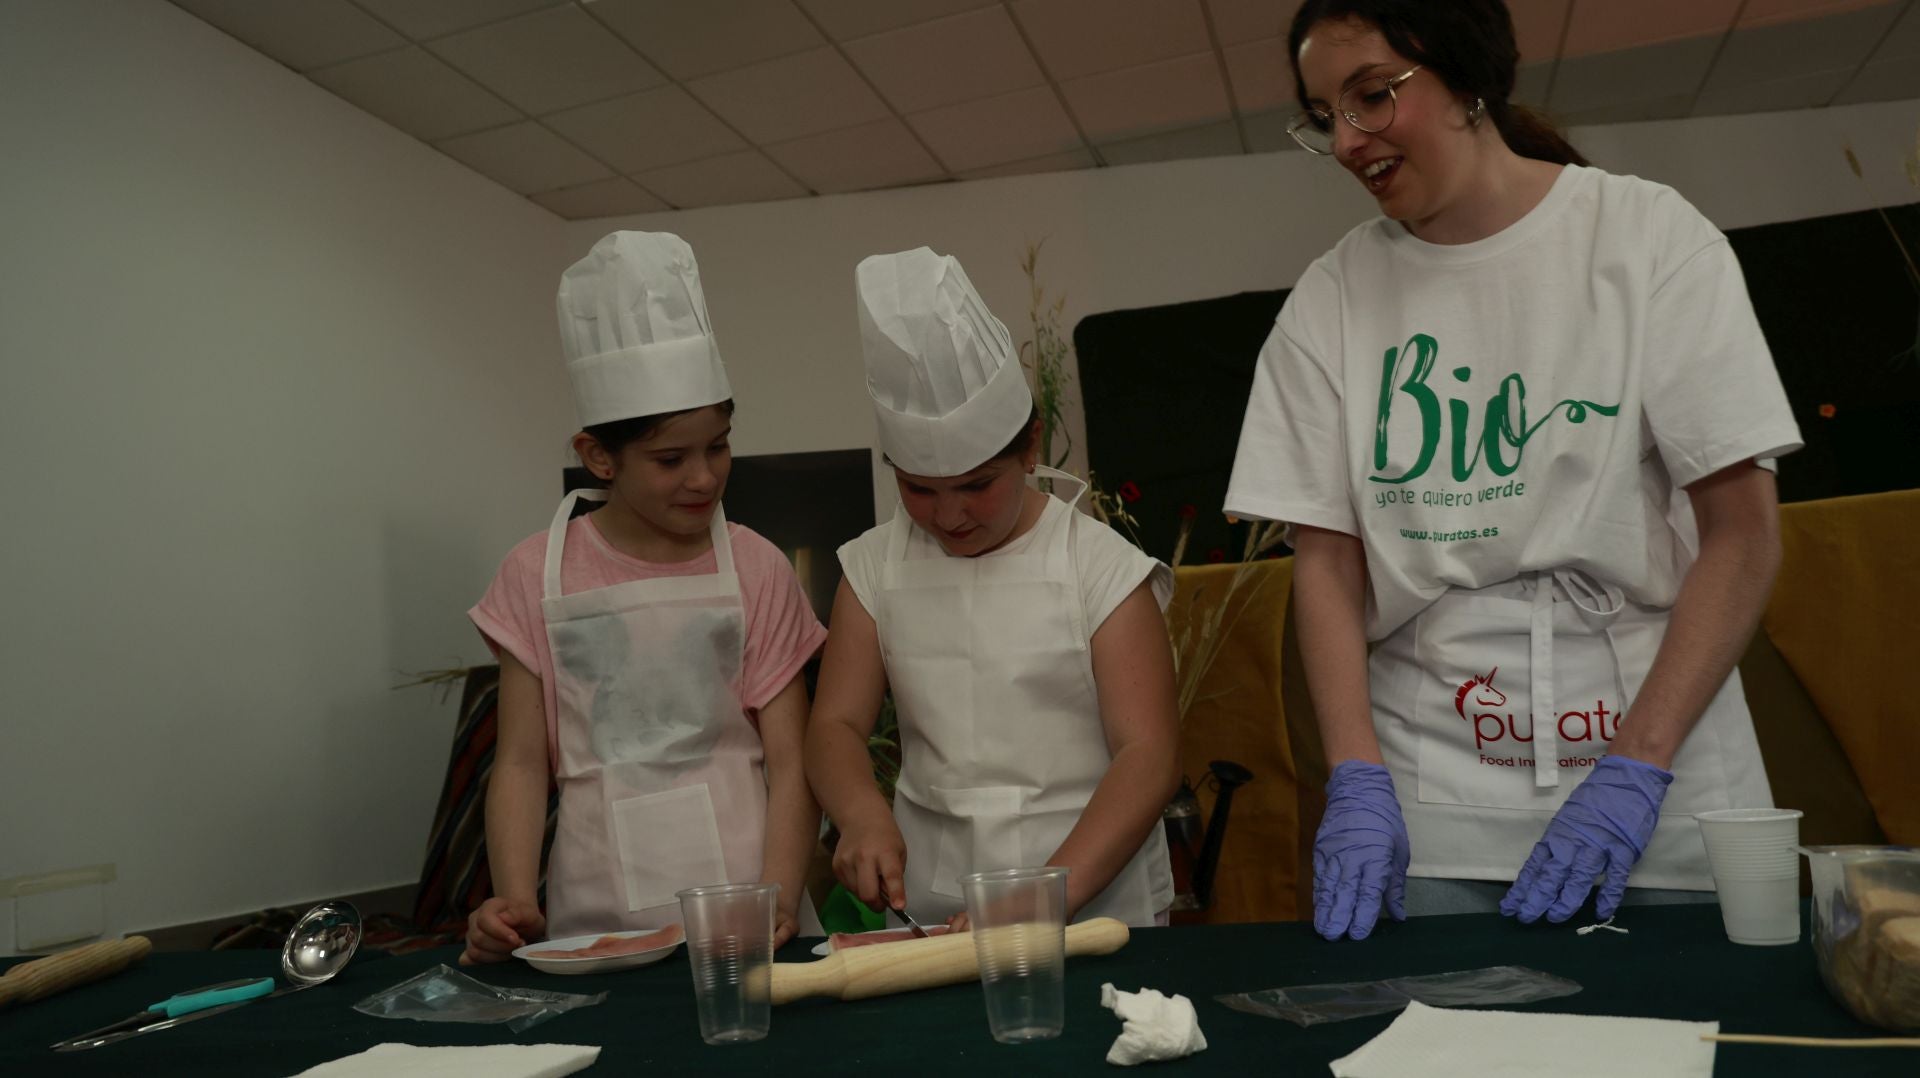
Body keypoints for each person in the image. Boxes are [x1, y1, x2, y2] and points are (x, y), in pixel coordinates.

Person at [1225, 0, 1803, 941]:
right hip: (1439, 792)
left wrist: (1638, 769)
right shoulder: (1330, 300)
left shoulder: (1646, 238)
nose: (1347, 140)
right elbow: (1326, 566)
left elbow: (1744, 533)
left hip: (1666, 764)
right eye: (1325, 115)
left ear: (1467, 76)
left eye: (1372, 96)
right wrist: (1357, 778)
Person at [463, 231, 827, 963]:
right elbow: (524, 762)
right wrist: (514, 902)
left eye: (718, 446)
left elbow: (792, 761)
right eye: (671, 459)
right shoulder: (536, 573)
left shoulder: (755, 567)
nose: (704, 478)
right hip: (594, 919)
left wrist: (781, 897)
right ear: (599, 456)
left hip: (752, 913)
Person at [806, 248, 1180, 929]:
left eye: (978, 485)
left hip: (1091, 907)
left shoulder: (1100, 568)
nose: (949, 516)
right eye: (918, 489)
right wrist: (859, 813)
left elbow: (1147, 755)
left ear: (1029, 445)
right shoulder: (872, 568)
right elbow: (834, 724)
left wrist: (1046, 894)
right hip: (929, 911)